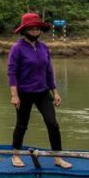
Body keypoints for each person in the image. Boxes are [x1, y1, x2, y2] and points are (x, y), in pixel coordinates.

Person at [7, 12, 72, 169]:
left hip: (43, 92)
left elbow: (49, 71)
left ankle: (57, 157)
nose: (35, 31)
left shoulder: (44, 48)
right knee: (22, 125)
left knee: (53, 124)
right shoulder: (17, 48)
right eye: (32, 28)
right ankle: (16, 155)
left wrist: (55, 92)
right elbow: (12, 72)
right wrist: (14, 95)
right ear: (25, 30)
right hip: (24, 93)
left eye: (38, 28)